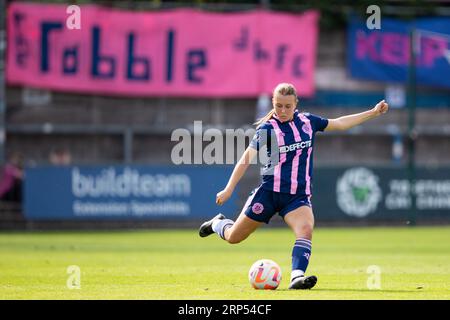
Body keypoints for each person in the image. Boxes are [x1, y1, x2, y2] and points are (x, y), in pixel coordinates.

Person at [198, 82, 389, 290]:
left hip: (296, 197)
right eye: (278, 105)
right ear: (273, 104)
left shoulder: (308, 122)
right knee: (234, 237)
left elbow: (340, 123)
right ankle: (217, 223)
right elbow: (246, 159)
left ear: (295, 104)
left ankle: (297, 277)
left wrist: (373, 112)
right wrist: (229, 188)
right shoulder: (267, 129)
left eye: (287, 106)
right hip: (269, 194)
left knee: (306, 229)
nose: (282, 111)